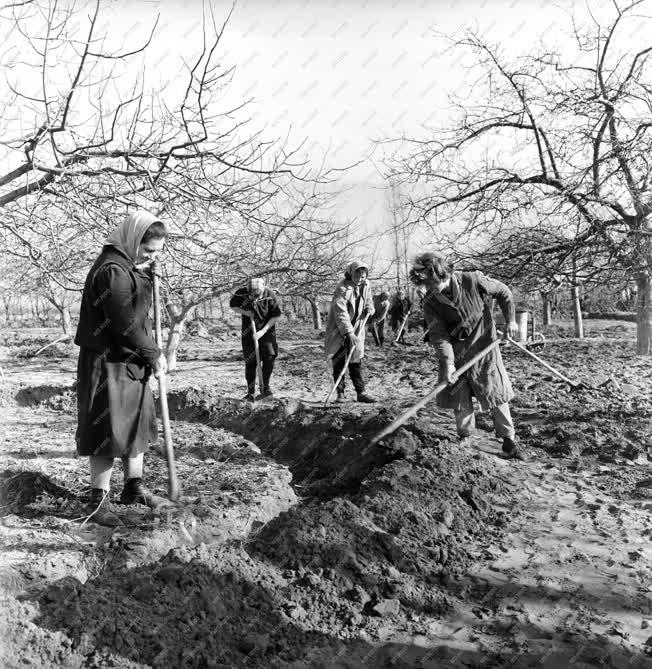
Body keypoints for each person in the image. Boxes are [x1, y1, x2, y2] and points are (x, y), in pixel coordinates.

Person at [74, 211, 170, 526]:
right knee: (107, 428)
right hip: (108, 363)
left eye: (156, 251)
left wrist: (145, 272)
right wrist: (154, 353)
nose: (152, 256)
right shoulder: (112, 271)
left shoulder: (127, 265)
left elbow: (135, 307)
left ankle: (133, 487)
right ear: (132, 240)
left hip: (129, 361)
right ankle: (98, 501)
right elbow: (124, 322)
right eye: (149, 250)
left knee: (135, 424)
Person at [409, 252, 527, 461]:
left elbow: (504, 292)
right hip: (455, 352)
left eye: (431, 283)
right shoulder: (429, 301)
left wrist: (510, 320)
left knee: (495, 391)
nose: (429, 288)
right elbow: (439, 335)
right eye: (425, 284)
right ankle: (465, 438)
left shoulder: (472, 280)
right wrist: (449, 363)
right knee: (459, 396)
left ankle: (509, 439)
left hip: (484, 346)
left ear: (442, 275)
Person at [324, 260, 376, 403]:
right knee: (339, 361)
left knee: (355, 361)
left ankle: (361, 393)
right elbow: (340, 312)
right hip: (340, 329)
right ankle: (340, 393)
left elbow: (369, 300)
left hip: (358, 328)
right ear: (351, 274)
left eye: (363, 277)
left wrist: (370, 308)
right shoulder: (341, 289)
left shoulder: (367, 285)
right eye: (357, 276)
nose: (360, 279)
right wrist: (349, 332)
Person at [229, 277, 281, 401]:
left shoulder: (270, 295)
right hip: (249, 331)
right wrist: (245, 312)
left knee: (270, 356)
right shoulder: (242, 292)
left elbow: (276, 315)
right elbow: (233, 306)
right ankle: (250, 392)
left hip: (267, 330)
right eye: (252, 295)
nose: (255, 297)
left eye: (257, 295)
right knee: (250, 361)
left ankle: (265, 388)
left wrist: (262, 331)